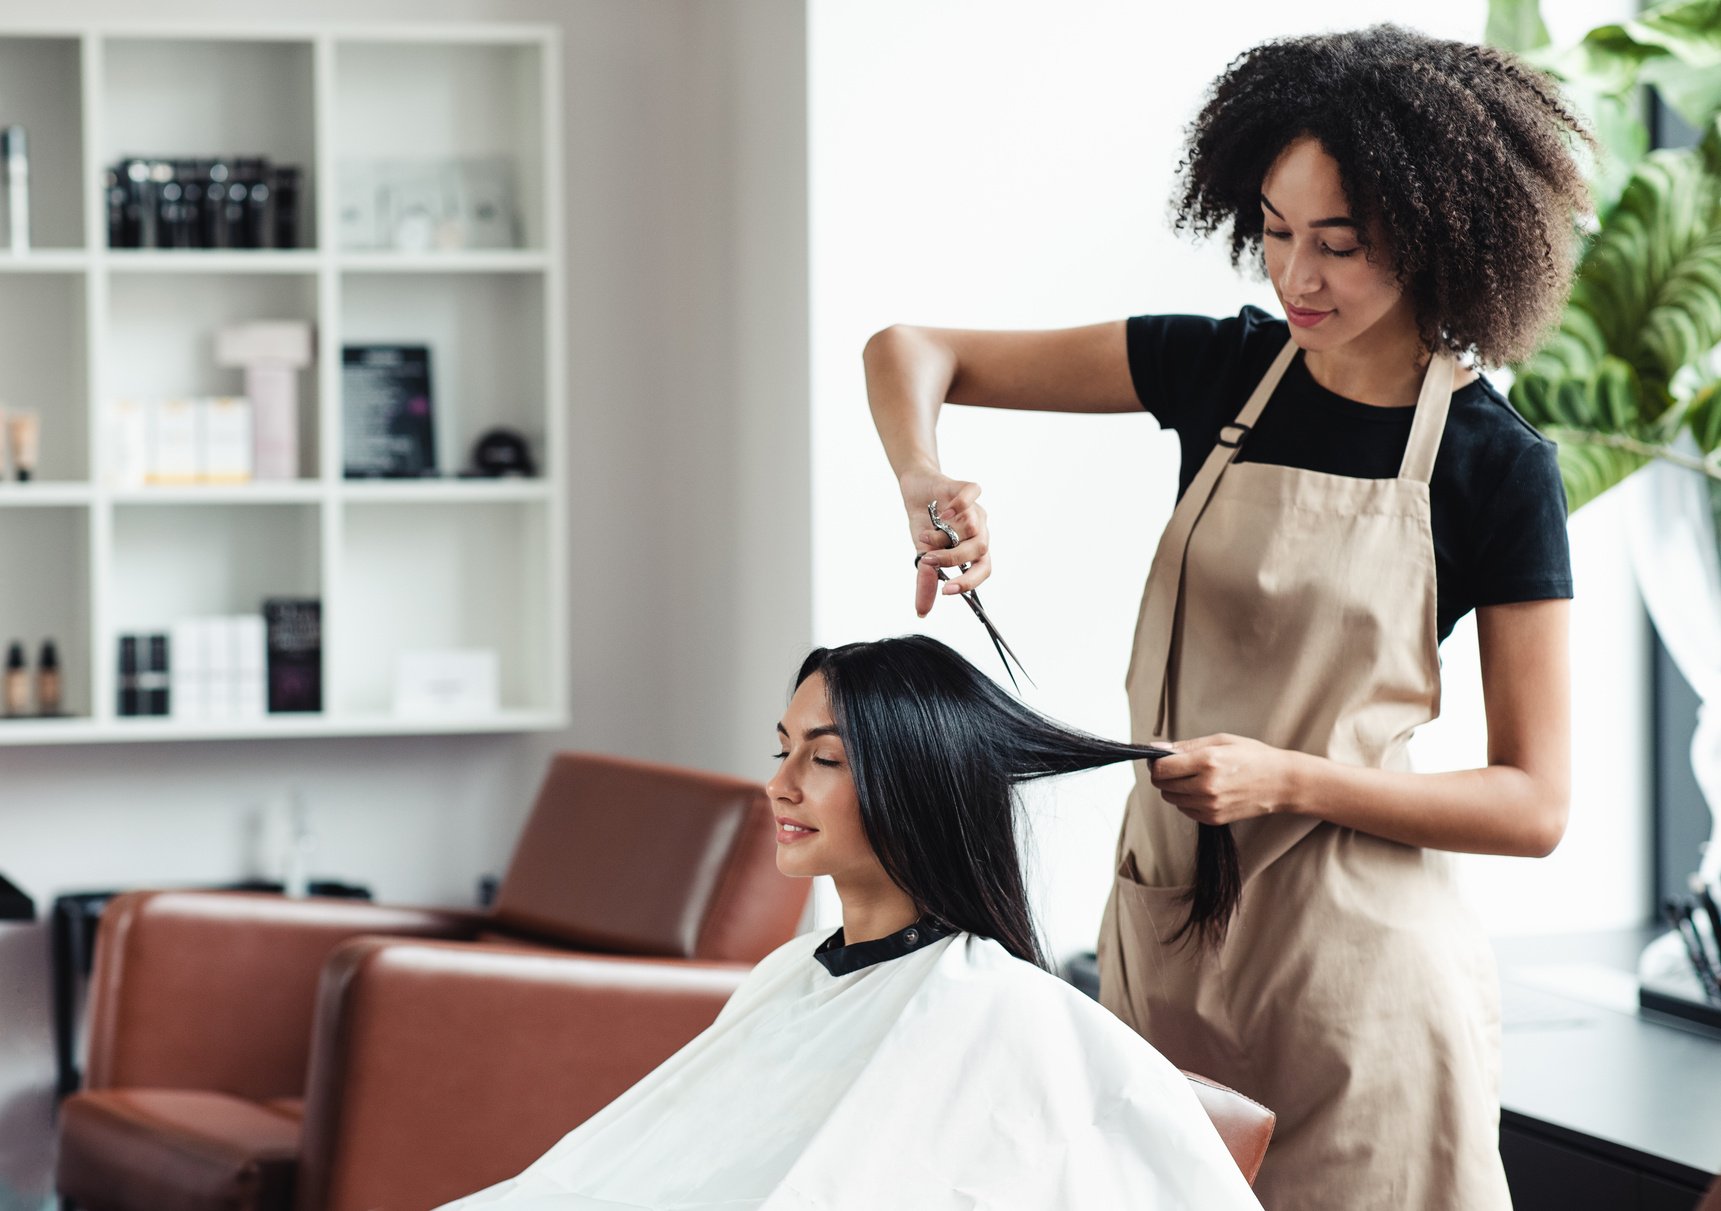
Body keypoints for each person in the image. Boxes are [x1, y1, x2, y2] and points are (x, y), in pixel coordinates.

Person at [862, 24, 1585, 1210]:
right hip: (1164, 932)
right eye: (1273, 229)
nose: (1293, 277)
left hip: (1359, 972)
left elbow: (1532, 803)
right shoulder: (1217, 373)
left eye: (1338, 245)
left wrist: (1285, 778)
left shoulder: (1491, 464)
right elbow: (910, 350)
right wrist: (920, 477)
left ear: (1439, 234)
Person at [437, 636, 1264, 1210]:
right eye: (782, 750)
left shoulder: (998, 1006)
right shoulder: (792, 972)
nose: (780, 784)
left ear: (916, 782)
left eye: (824, 758)